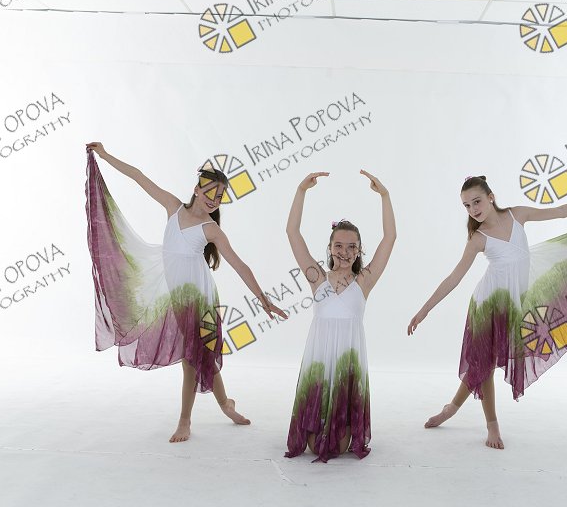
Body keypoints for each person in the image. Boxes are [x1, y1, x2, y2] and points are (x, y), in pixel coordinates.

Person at [85, 142, 287, 443]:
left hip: (202, 300)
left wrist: (264, 300)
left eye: (220, 197)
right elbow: (139, 177)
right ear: (197, 188)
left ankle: (185, 421)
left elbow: (240, 265)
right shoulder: (173, 207)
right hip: (179, 300)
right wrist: (105, 155)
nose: (214, 200)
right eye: (210, 193)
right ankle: (226, 404)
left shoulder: (210, 229)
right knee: (199, 354)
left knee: (191, 359)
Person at [408, 175, 567, 449]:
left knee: (482, 363)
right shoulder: (478, 238)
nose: (473, 209)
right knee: (485, 365)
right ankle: (492, 425)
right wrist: (424, 310)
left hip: (511, 305)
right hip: (486, 305)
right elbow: (454, 278)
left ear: (491, 197)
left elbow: (559, 212)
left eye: (477, 201)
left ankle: (450, 408)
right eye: (466, 206)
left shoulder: (517, 215)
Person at [284, 170, 396, 462]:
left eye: (351, 247)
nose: (344, 252)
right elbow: (292, 233)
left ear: (359, 251)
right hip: (320, 362)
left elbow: (390, 238)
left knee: (340, 445)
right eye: (338, 246)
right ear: (330, 248)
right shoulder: (317, 278)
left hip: (347, 366)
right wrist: (301, 191)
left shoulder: (364, 281)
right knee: (313, 446)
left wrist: (384, 196)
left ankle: (341, 416)